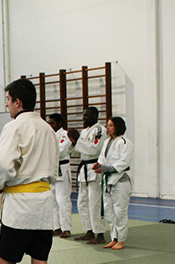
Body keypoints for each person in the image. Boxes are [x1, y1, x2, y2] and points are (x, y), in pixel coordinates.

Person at [0, 78, 59, 264]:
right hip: (44, 201)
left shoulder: (15, 126)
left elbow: (1, 163)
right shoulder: (47, 128)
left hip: (20, 203)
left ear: (18, 102)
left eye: (8, 101)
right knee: (40, 261)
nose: (7, 105)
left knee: (6, 260)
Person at [68, 106, 107, 244]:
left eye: (87, 115)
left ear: (95, 116)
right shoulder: (84, 131)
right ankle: (89, 231)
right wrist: (74, 141)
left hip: (94, 168)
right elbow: (77, 150)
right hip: (84, 169)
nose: (84, 118)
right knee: (82, 203)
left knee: (95, 203)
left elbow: (94, 149)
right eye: (83, 115)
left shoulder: (100, 130)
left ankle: (100, 234)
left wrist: (78, 141)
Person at [94, 116, 134, 250]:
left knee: (120, 211)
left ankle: (121, 240)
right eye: (107, 125)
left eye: (111, 125)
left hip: (120, 180)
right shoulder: (107, 142)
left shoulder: (125, 142)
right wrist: (99, 165)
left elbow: (124, 162)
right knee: (109, 211)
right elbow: (102, 159)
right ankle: (114, 238)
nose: (108, 128)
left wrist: (106, 168)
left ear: (118, 127)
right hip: (108, 181)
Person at [47, 113, 73, 237]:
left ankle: (66, 228)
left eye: (53, 123)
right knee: (52, 200)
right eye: (49, 123)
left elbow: (61, 151)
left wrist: (47, 151)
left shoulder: (65, 135)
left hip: (62, 169)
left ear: (59, 123)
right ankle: (56, 226)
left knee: (62, 200)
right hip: (51, 170)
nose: (50, 125)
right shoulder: (49, 135)